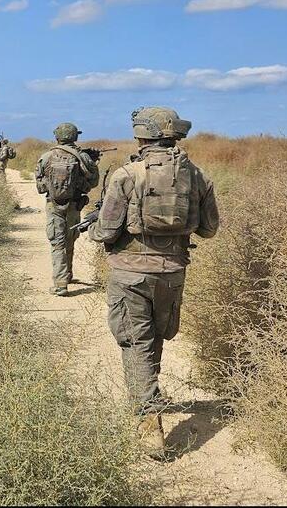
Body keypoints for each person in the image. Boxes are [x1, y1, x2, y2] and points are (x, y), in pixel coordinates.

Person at [86, 107, 219, 459]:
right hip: (173, 272)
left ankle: (148, 424)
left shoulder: (127, 174)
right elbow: (209, 229)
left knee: (135, 341)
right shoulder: (196, 174)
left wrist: (93, 229)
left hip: (129, 273)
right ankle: (150, 394)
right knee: (154, 336)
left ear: (141, 135)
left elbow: (109, 229)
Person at [35, 122, 100, 296]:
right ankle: (67, 275)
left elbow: (40, 187)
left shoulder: (46, 156)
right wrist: (92, 162)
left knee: (57, 242)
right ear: (75, 137)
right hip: (74, 204)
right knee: (70, 238)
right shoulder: (82, 157)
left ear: (57, 136)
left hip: (53, 205)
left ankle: (60, 283)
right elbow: (94, 182)